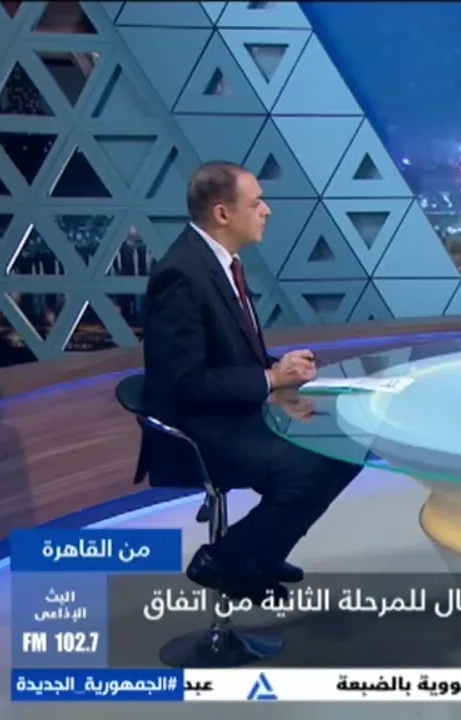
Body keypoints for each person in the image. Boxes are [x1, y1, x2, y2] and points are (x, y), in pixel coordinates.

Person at [138, 161, 361, 602]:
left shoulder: (221, 264)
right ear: (223, 213)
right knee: (308, 470)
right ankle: (226, 559)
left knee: (347, 446)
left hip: (235, 413)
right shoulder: (181, 274)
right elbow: (184, 383)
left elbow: (232, 357)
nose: (267, 210)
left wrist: (282, 370)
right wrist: (269, 378)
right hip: (201, 431)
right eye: (257, 202)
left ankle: (262, 553)